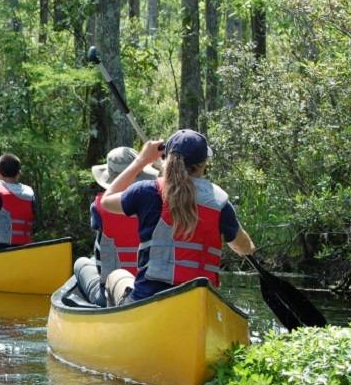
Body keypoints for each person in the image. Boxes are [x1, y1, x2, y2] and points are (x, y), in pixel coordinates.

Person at [99, 130, 256, 306]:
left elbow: (106, 201)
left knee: (116, 276)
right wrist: (248, 247)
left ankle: (117, 326)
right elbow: (244, 247)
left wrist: (142, 160)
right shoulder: (219, 202)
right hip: (199, 305)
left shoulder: (145, 191)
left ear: (169, 159)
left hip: (147, 301)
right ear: (203, 164)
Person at [73, 147, 159, 307]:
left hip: (109, 295)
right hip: (150, 290)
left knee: (82, 262)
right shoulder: (156, 204)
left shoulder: (98, 207)